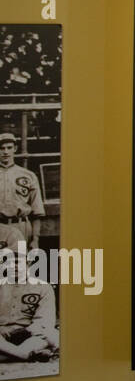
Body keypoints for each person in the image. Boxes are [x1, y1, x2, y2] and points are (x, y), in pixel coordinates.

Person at [0, 223, 59, 364]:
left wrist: (25, 332)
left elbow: (44, 323)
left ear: (29, 263)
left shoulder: (43, 287)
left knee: (49, 335)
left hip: (29, 335)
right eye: (9, 262)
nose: (14, 266)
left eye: (19, 262)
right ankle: (26, 355)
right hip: (1, 336)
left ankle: (14, 355)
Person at [0, 132, 43, 249]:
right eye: (2, 148)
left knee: (20, 265)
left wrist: (35, 239)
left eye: (9, 148)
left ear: (15, 149)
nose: (5, 152)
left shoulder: (28, 175)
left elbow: (37, 210)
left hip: (21, 225)